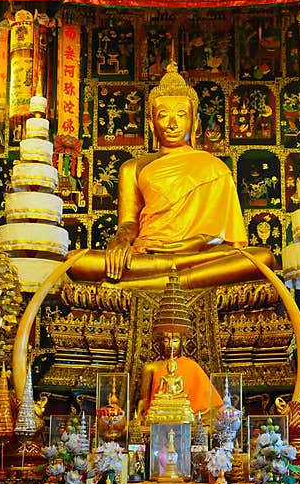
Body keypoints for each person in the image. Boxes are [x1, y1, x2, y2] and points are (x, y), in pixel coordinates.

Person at [63, 62, 276, 290]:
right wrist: (120, 240)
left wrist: (190, 244)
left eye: (181, 115)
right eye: (163, 115)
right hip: (148, 253)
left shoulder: (215, 167)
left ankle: (135, 286)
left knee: (261, 258)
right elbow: (128, 222)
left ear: (194, 124)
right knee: (76, 261)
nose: (172, 124)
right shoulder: (133, 167)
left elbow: (224, 237)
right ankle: (171, 280)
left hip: (199, 254)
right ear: (152, 125)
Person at [138, 268, 223, 422]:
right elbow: (145, 401)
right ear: (160, 342)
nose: (170, 344)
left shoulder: (190, 366)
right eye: (166, 340)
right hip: (160, 412)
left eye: (175, 340)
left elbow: (182, 393)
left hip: (180, 410)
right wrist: (139, 417)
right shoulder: (151, 368)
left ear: (182, 342)